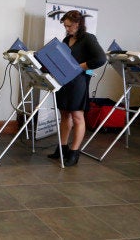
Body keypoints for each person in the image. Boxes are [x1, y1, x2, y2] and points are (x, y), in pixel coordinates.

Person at [48, 10, 106, 166]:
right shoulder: (67, 39)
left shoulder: (88, 38)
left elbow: (101, 59)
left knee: (77, 117)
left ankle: (74, 153)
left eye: (69, 26)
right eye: (65, 26)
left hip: (78, 82)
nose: (67, 29)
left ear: (78, 24)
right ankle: (62, 148)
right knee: (64, 115)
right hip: (64, 81)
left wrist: (79, 67)